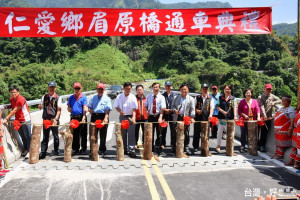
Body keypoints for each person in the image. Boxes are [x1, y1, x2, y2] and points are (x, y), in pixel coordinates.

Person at [2, 85, 31, 157]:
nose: (13, 94)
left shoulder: (21, 99)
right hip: (17, 120)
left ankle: (30, 151)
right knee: (22, 135)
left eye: (14, 92)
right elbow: (12, 107)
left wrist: (6, 118)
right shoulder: (12, 99)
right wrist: (5, 106)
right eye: (11, 92)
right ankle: (26, 149)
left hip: (25, 119)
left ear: (18, 92)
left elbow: (15, 110)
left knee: (28, 136)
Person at [39, 81, 62, 159]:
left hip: (54, 119)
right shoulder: (44, 97)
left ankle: (56, 150)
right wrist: (39, 106)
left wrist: (56, 118)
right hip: (46, 119)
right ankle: (43, 152)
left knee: (56, 136)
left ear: (55, 88)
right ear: (48, 88)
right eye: (50, 87)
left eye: (53, 87)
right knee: (45, 137)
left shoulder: (58, 98)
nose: (51, 89)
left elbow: (59, 110)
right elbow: (41, 106)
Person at [114, 82, 138, 158]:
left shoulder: (133, 97)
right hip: (122, 117)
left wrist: (134, 117)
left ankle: (131, 150)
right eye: (126, 88)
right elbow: (116, 106)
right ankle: (123, 149)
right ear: (124, 88)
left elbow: (134, 109)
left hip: (130, 117)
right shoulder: (119, 96)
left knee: (131, 134)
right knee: (123, 133)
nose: (128, 90)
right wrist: (119, 111)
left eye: (129, 89)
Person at [88, 83, 112, 157]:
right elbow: (89, 107)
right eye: (99, 89)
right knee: (93, 134)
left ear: (104, 90)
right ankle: (93, 150)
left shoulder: (107, 99)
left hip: (103, 116)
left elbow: (108, 109)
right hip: (94, 116)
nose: (100, 90)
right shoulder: (93, 98)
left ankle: (102, 150)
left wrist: (106, 118)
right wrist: (89, 110)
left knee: (103, 134)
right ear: (97, 89)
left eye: (102, 89)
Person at [172, 84, 195, 155]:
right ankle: (174, 147)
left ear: (188, 90)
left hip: (186, 118)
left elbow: (192, 109)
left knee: (186, 133)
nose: (184, 91)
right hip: (177, 117)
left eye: (185, 89)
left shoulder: (191, 99)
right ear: (180, 90)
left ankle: (186, 147)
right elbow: (172, 106)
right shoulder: (176, 98)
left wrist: (192, 117)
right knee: (175, 132)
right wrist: (175, 110)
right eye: (182, 89)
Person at [258, 83, 281, 152]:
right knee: (259, 132)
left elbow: (280, 100)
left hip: (269, 118)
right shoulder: (261, 97)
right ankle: (260, 145)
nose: (269, 90)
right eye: (267, 89)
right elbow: (261, 106)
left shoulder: (272, 96)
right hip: (261, 117)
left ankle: (261, 145)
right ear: (265, 89)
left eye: (270, 89)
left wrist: (274, 103)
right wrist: (264, 115)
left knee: (265, 132)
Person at [67, 82, 88, 155]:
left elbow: (85, 107)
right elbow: (68, 106)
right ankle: (75, 148)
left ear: (80, 88)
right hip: (73, 117)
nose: (77, 90)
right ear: (74, 89)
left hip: (81, 116)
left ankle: (84, 148)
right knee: (75, 134)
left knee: (83, 133)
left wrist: (84, 116)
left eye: (78, 88)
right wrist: (69, 108)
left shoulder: (84, 97)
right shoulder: (71, 97)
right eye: (76, 88)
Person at [216, 85, 237, 153]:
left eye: (228, 89)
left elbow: (235, 108)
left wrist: (235, 116)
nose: (227, 90)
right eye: (226, 89)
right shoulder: (220, 97)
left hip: (230, 118)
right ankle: (218, 145)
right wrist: (223, 112)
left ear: (230, 90)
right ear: (224, 90)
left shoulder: (233, 98)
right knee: (220, 132)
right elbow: (217, 106)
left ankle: (229, 146)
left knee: (230, 133)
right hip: (221, 118)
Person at [145, 82, 165, 155]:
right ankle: (151, 148)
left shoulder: (162, 97)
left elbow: (162, 108)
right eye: (154, 87)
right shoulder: (149, 96)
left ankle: (158, 147)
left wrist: (160, 117)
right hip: (150, 117)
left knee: (159, 133)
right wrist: (147, 111)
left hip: (158, 116)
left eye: (157, 87)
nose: (155, 88)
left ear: (159, 88)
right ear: (152, 88)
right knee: (151, 133)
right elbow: (146, 105)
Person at [272, 95, 295, 159]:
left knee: (282, 141)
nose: (283, 102)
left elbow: (292, 119)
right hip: (278, 129)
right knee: (278, 142)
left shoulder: (291, 109)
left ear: (289, 102)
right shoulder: (281, 108)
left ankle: (280, 154)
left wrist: (290, 128)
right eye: (282, 101)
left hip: (284, 128)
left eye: (285, 101)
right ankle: (277, 153)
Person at [193, 83, 214, 153]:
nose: (205, 90)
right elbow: (193, 107)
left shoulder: (210, 98)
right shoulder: (197, 97)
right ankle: (195, 147)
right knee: (196, 133)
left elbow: (212, 107)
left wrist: (210, 115)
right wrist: (196, 110)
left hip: (206, 118)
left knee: (206, 133)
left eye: (206, 89)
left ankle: (205, 146)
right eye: (204, 89)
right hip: (198, 118)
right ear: (201, 89)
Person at [285, 93, 300, 168]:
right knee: (295, 146)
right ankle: (292, 160)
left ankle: (296, 162)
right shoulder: (298, 107)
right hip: (296, 129)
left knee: (299, 147)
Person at [161, 81, 176, 151]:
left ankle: (172, 143)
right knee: (163, 130)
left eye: (169, 86)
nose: (168, 87)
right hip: (165, 114)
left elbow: (176, 104)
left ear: (171, 87)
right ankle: (162, 143)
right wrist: (165, 110)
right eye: (166, 86)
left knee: (173, 130)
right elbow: (161, 105)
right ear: (165, 87)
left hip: (172, 114)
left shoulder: (175, 95)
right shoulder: (162, 95)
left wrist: (171, 110)